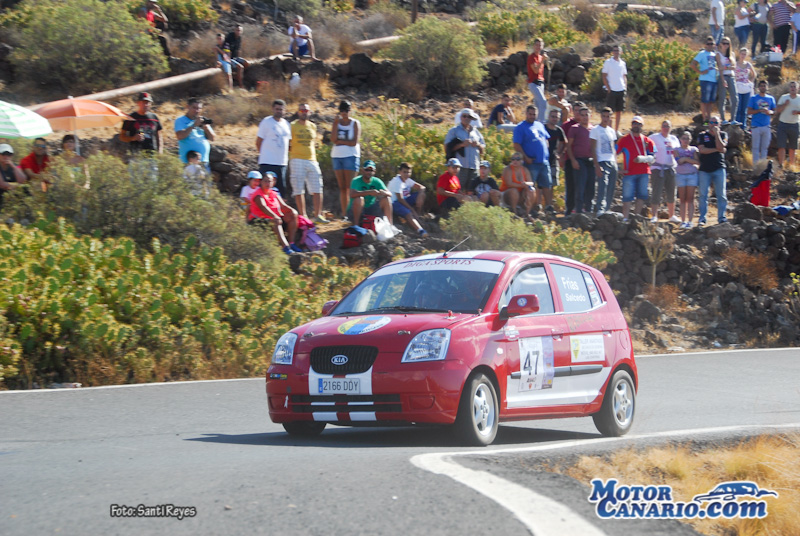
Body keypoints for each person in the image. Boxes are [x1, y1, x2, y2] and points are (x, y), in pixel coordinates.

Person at [248, 171, 302, 255]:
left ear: (273, 182)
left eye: (269, 181)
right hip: (258, 220)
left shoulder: (274, 193)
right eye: (265, 181)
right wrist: (275, 216)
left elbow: (283, 206)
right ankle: (286, 247)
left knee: (293, 215)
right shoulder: (258, 195)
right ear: (261, 182)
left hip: (273, 219)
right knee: (276, 221)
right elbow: (263, 207)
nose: (267, 183)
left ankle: (291, 243)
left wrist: (292, 211)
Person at [289, 103, 325, 222]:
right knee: (299, 188)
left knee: (318, 187)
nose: (304, 112)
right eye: (302, 110)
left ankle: (318, 215)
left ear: (309, 112)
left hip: (312, 159)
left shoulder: (313, 126)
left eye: (306, 110)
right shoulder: (292, 125)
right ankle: (303, 216)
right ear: (298, 112)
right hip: (297, 159)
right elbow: (288, 142)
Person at [513, 105, 551, 214]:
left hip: (543, 161)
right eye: (530, 114)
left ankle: (549, 207)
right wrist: (526, 157)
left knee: (547, 185)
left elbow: (546, 139)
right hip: (531, 162)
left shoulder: (539, 125)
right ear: (526, 114)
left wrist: (545, 151)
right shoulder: (520, 127)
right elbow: (516, 144)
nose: (532, 116)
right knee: (530, 186)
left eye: (534, 114)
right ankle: (531, 208)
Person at [617, 116, 656, 222]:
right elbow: (613, 154)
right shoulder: (624, 139)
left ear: (642, 126)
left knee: (641, 196)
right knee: (627, 197)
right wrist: (618, 169)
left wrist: (644, 158)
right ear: (631, 125)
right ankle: (625, 219)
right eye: (634, 123)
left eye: (639, 124)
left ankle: (636, 219)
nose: (636, 126)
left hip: (644, 173)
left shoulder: (648, 141)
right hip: (629, 173)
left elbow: (654, 157)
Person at [330, 100, 361, 219]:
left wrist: (340, 141)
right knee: (342, 188)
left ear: (350, 111)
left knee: (350, 187)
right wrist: (335, 123)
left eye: (346, 110)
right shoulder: (337, 123)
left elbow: (354, 142)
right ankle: (345, 214)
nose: (344, 113)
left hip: (351, 156)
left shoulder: (355, 123)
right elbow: (333, 139)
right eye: (342, 110)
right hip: (337, 156)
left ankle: (353, 214)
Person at [696, 115, 729, 225]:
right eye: (711, 122)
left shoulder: (723, 134)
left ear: (719, 124)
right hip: (704, 169)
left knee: (721, 194)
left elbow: (721, 146)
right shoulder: (702, 135)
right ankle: (702, 218)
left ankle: (721, 217)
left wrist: (717, 134)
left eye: (716, 123)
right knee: (703, 195)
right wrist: (717, 149)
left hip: (719, 168)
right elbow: (702, 150)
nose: (713, 125)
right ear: (708, 123)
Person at [256, 99, 291, 198]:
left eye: (281, 109)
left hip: (281, 163)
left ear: (284, 110)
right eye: (277, 109)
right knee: (264, 189)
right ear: (273, 109)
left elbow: (289, 143)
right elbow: (258, 142)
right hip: (267, 162)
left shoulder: (287, 124)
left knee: (280, 190)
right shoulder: (266, 122)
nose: (279, 111)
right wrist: (264, 154)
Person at [649, 120, 681, 223]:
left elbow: (678, 152)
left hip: (671, 168)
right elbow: (646, 144)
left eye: (668, 126)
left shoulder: (674, 139)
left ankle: (672, 215)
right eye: (664, 126)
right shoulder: (655, 137)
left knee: (672, 192)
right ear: (661, 127)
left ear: (671, 128)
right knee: (656, 191)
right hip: (658, 168)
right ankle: (654, 215)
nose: (666, 128)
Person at [444, 109, 485, 189]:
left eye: (469, 116)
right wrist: (461, 145)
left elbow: (483, 149)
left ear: (472, 118)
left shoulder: (476, 132)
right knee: (457, 189)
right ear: (460, 117)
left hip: (474, 166)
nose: (466, 118)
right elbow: (447, 148)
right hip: (459, 167)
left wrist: (478, 144)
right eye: (464, 116)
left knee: (472, 191)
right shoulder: (454, 131)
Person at [566, 106, 595, 215]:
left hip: (591, 161)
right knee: (580, 187)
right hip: (579, 160)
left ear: (590, 116)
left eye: (586, 115)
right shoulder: (574, 128)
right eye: (582, 115)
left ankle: (588, 211)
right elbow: (569, 146)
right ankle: (578, 212)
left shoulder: (594, 129)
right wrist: (573, 160)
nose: (584, 117)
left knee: (590, 187)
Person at [589, 107, 618, 215]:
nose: (606, 119)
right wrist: (596, 165)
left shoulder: (611, 131)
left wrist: (615, 162)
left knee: (611, 186)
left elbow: (613, 148)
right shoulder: (595, 130)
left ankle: (607, 209)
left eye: (608, 116)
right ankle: (600, 208)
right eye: (604, 116)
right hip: (602, 161)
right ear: (601, 116)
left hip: (612, 161)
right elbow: (593, 148)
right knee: (603, 185)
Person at [387, 162, 427, 236]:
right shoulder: (396, 182)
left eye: (408, 172)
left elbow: (422, 187)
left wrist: (420, 194)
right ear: (400, 172)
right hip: (394, 203)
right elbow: (400, 199)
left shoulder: (407, 180)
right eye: (404, 172)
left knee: (422, 195)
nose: (406, 174)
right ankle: (420, 230)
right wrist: (412, 210)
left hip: (405, 199)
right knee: (408, 212)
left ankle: (417, 217)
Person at [348, 160, 393, 226]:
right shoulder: (356, 180)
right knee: (359, 199)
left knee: (387, 199)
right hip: (355, 211)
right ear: (362, 170)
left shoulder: (377, 181)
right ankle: (356, 225)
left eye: (371, 170)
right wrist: (368, 192)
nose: (369, 172)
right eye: (367, 170)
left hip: (370, 209)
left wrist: (383, 193)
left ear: (374, 171)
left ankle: (389, 225)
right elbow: (352, 194)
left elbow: (389, 194)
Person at [175, 98, 215, 166]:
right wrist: (193, 125)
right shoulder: (180, 120)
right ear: (188, 107)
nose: (197, 110)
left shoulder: (201, 120)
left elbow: (212, 138)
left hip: (203, 161)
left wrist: (206, 127)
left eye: (199, 108)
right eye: (194, 108)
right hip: (188, 163)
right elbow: (180, 136)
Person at [673, 131, 700, 228]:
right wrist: (689, 160)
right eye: (684, 138)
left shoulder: (694, 149)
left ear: (690, 139)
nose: (685, 140)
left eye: (687, 138)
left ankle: (690, 221)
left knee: (691, 198)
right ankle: (683, 221)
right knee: (682, 199)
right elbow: (679, 161)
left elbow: (698, 162)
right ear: (680, 139)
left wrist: (685, 159)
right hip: (680, 175)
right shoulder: (676, 150)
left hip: (692, 175)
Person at [561, 102, 584, 215]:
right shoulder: (566, 125)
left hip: (584, 160)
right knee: (570, 185)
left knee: (583, 185)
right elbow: (562, 143)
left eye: (580, 110)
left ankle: (581, 209)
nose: (577, 113)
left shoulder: (588, 126)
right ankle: (569, 210)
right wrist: (561, 157)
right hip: (569, 159)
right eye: (575, 110)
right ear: (572, 111)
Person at [692, 37, 721, 123]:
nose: (710, 45)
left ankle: (709, 117)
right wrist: (700, 72)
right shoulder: (702, 53)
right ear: (705, 45)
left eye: (711, 44)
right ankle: (704, 119)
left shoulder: (714, 54)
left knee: (710, 101)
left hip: (713, 80)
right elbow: (693, 64)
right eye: (708, 44)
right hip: (705, 79)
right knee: (705, 100)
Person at [747, 79, 776, 163]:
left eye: (764, 86)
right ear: (758, 87)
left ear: (767, 87)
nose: (763, 87)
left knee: (765, 147)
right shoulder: (753, 98)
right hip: (756, 125)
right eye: (761, 86)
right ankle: (755, 166)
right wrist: (759, 110)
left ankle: (763, 166)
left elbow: (774, 111)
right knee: (755, 147)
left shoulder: (771, 98)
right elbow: (749, 111)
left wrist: (769, 112)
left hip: (766, 126)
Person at [602, 45, 628, 133]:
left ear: (621, 52)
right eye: (614, 50)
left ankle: (616, 130)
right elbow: (604, 76)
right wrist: (608, 88)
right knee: (609, 112)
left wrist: (625, 87)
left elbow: (624, 76)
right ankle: (610, 130)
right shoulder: (608, 62)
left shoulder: (623, 63)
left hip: (621, 89)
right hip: (612, 90)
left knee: (619, 111)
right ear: (612, 52)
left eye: (617, 50)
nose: (616, 52)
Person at [774, 80, 800, 168]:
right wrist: (785, 105)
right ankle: (781, 164)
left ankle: (791, 165)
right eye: (791, 86)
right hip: (783, 124)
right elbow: (777, 110)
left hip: (794, 125)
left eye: (794, 87)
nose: (792, 88)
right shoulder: (784, 97)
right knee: (781, 146)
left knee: (793, 147)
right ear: (789, 88)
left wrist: (797, 112)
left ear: (798, 88)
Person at [500, 152, 535, 217]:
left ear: (522, 160)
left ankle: (527, 213)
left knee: (531, 190)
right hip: (506, 195)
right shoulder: (508, 169)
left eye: (517, 159)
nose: (515, 161)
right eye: (513, 159)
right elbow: (509, 184)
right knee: (514, 191)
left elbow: (531, 183)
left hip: (520, 195)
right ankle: (514, 213)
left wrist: (526, 184)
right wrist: (522, 185)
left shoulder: (524, 170)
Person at [544, 108, 566, 202]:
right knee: (540, 184)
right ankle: (538, 204)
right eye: (552, 117)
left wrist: (559, 153)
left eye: (556, 117)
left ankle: (549, 204)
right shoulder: (543, 128)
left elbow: (564, 142)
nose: (554, 119)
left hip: (553, 160)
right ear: (548, 117)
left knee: (552, 184)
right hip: (542, 160)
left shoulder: (559, 130)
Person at [716, 38, 738, 124]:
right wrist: (722, 79)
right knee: (722, 98)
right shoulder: (718, 54)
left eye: (727, 43)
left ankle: (733, 119)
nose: (725, 45)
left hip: (731, 76)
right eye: (724, 43)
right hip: (723, 76)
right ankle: (723, 119)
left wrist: (725, 67)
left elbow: (734, 67)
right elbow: (719, 68)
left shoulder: (731, 54)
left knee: (735, 98)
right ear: (721, 44)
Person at [734, 48, 757, 128]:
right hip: (738, 87)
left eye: (745, 54)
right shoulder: (735, 64)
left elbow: (754, 74)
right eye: (742, 54)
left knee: (744, 109)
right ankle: (737, 125)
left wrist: (751, 81)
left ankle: (743, 126)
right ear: (739, 54)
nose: (743, 56)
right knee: (738, 107)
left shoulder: (748, 64)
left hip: (746, 87)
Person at [527, 38, 549, 121]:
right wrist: (543, 60)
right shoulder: (531, 57)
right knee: (543, 102)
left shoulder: (540, 57)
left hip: (540, 83)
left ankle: (535, 121)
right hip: (533, 83)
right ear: (533, 46)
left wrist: (543, 59)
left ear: (542, 47)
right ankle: (541, 123)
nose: (538, 47)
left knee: (537, 105)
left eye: (540, 45)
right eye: (536, 45)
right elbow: (535, 70)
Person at [0, 143, 27, 208]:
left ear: (11, 156)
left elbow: (23, 180)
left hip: (11, 197)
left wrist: (13, 166)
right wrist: (17, 186)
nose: (6, 156)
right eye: (3, 154)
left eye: (9, 154)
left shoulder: (15, 166)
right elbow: (2, 185)